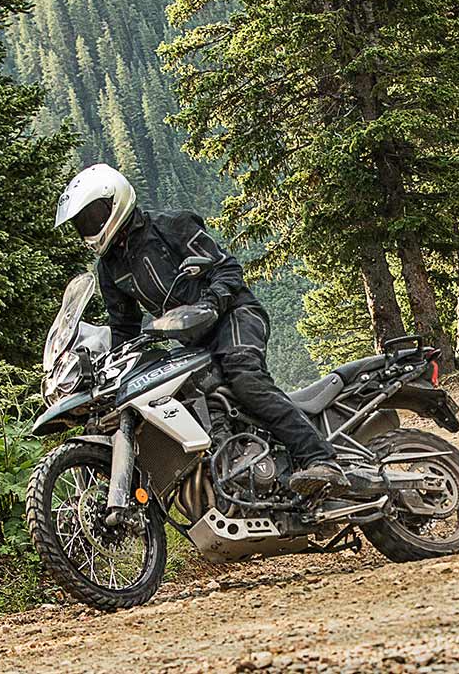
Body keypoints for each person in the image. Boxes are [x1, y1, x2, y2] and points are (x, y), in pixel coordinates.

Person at [54, 164, 346, 493]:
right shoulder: (109, 268)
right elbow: (124, 326)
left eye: (92, 216)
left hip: (234, 314)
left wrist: (211, 302)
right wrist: (110, 366)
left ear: (115, 200)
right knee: (186, 402)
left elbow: (227, 268)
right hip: (190, 337)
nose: (88, 227)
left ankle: (320, 458)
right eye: (82, 222)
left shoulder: (172, 225)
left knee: (244, 377)